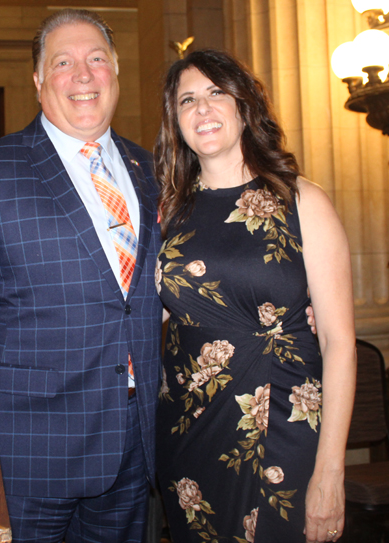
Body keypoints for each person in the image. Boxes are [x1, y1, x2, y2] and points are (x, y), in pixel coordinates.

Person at [0, 9, 163, 543]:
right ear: (37, 80)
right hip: (22, 456)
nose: (83, 74)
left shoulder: (148, 171)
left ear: (116, 73)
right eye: (64, 62)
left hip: (131, 445)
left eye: (97, 60)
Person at [154, 49, 356, 543]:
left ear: (244, 107)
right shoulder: (166, 214)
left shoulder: (301, 202)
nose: (202, 109)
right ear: (175, 122)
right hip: (187, 434)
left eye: (216, 93)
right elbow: (155, 320)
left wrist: (330, 473)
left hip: (284, 426)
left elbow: (339, 343)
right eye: (187, 100)